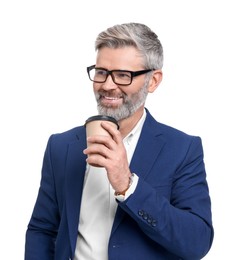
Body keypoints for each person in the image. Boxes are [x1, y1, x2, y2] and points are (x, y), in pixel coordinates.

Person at [25, 22, 214, 260]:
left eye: (123, 75)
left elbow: (196, 242)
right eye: (102, 72)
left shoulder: (183, 149)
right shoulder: (61, 146)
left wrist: (128, 185)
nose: (107, 85)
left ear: (153, 81)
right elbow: (42, 229)